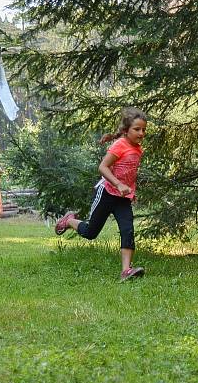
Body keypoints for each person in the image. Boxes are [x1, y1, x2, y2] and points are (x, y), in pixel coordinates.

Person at [54, 107, 148, 281]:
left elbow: (129, 171)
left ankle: (126, 270)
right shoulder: (119, 145)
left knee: (128, 230)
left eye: (143, 129)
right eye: (137, 129)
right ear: (127, 130)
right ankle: (68, 220)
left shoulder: (137, 148)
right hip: (106, 193)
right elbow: (103, 167)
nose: (141, 133)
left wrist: (129, 190)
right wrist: (118, 184)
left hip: (123, 199)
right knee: (91, 232)